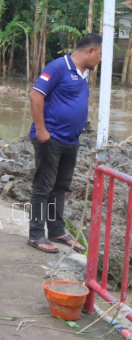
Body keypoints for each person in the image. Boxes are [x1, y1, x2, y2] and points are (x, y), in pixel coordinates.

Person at [27, 33, 102, 254]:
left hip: (71, 140)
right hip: (51, 137)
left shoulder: (84, 73)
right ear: (90, 50)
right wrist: (41, 130)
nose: (99, 60)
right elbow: (35, 95)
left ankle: (57, 230)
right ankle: (36, 235)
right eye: (99, 54)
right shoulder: (59, 66)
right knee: (44, 186)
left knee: (60, 187)